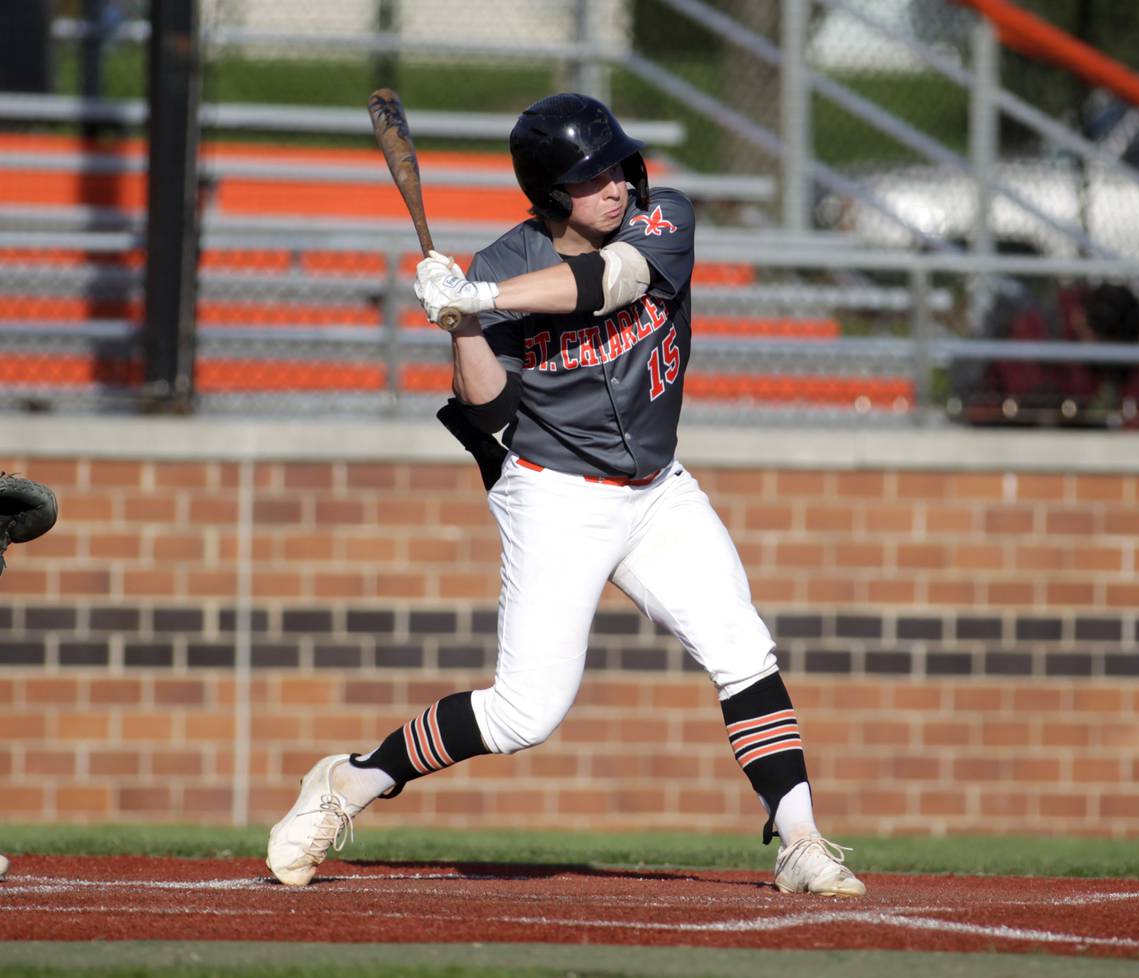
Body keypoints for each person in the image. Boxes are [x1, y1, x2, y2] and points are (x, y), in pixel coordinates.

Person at [265, 93, 865, 898]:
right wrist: (461, 323)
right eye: (591, 177)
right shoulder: (500, 268)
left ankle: (799, 840)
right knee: (524, 714)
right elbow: (488, 411)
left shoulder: (663, 220)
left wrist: (482, 300)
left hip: (655, 488)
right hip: (555, 492)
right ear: (552, 193)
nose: (615, 185)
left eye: (618, 165)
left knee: (740, 646)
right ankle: (351, 782)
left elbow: (613, 283)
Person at [957, 282, 1139, 430]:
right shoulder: (1038, 326)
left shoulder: (1122, 331)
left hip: (1060, 422)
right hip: (1009, 422)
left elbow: (1135, 403)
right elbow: (1029, 399)